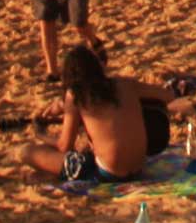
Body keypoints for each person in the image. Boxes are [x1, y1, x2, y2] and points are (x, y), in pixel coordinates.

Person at [17, 47, 153, 183]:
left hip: (108, 174)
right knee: (85, 148)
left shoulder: (76, 94)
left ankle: (56, 175)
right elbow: (167, 95)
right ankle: (55, 174)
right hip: (138, 169)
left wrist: (40, 133)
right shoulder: (124, 84)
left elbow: (64, 146)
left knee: (25, 152)